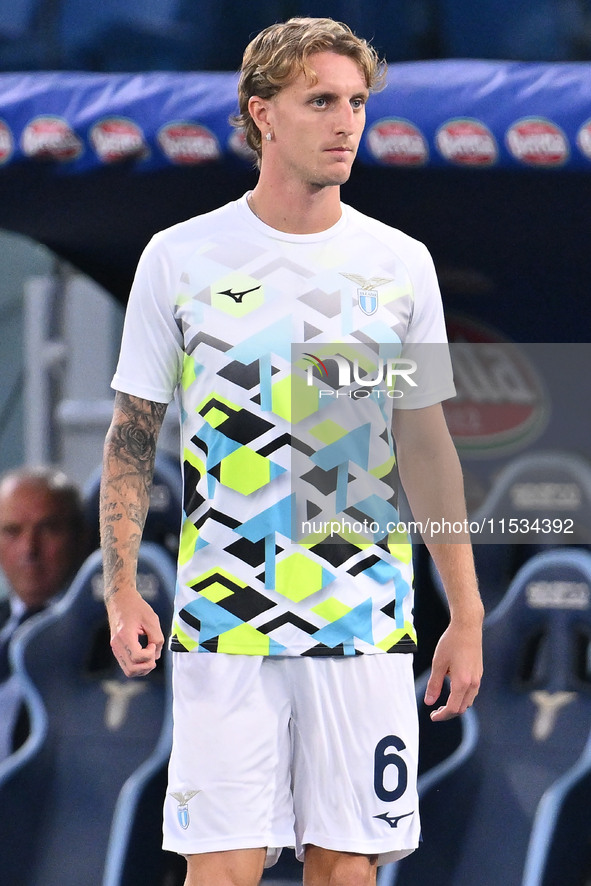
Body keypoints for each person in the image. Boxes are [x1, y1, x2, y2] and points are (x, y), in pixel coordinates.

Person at [100, 17, 484, 886]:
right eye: (320, 101)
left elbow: (426, 447)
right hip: (221, 620)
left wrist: (465, 613)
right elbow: (131, 437)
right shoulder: (180, 257)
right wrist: (121, 587)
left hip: (364, 618)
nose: (345, 122)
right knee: (221, 873)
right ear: (261, 114)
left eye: (354, 102)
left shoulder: (399, 263)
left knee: (346, 872)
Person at [0, 466, 87, 755]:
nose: (29, 550)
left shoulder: (105, 636)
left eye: (48, 529)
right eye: (12, 531)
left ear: (80, 536)